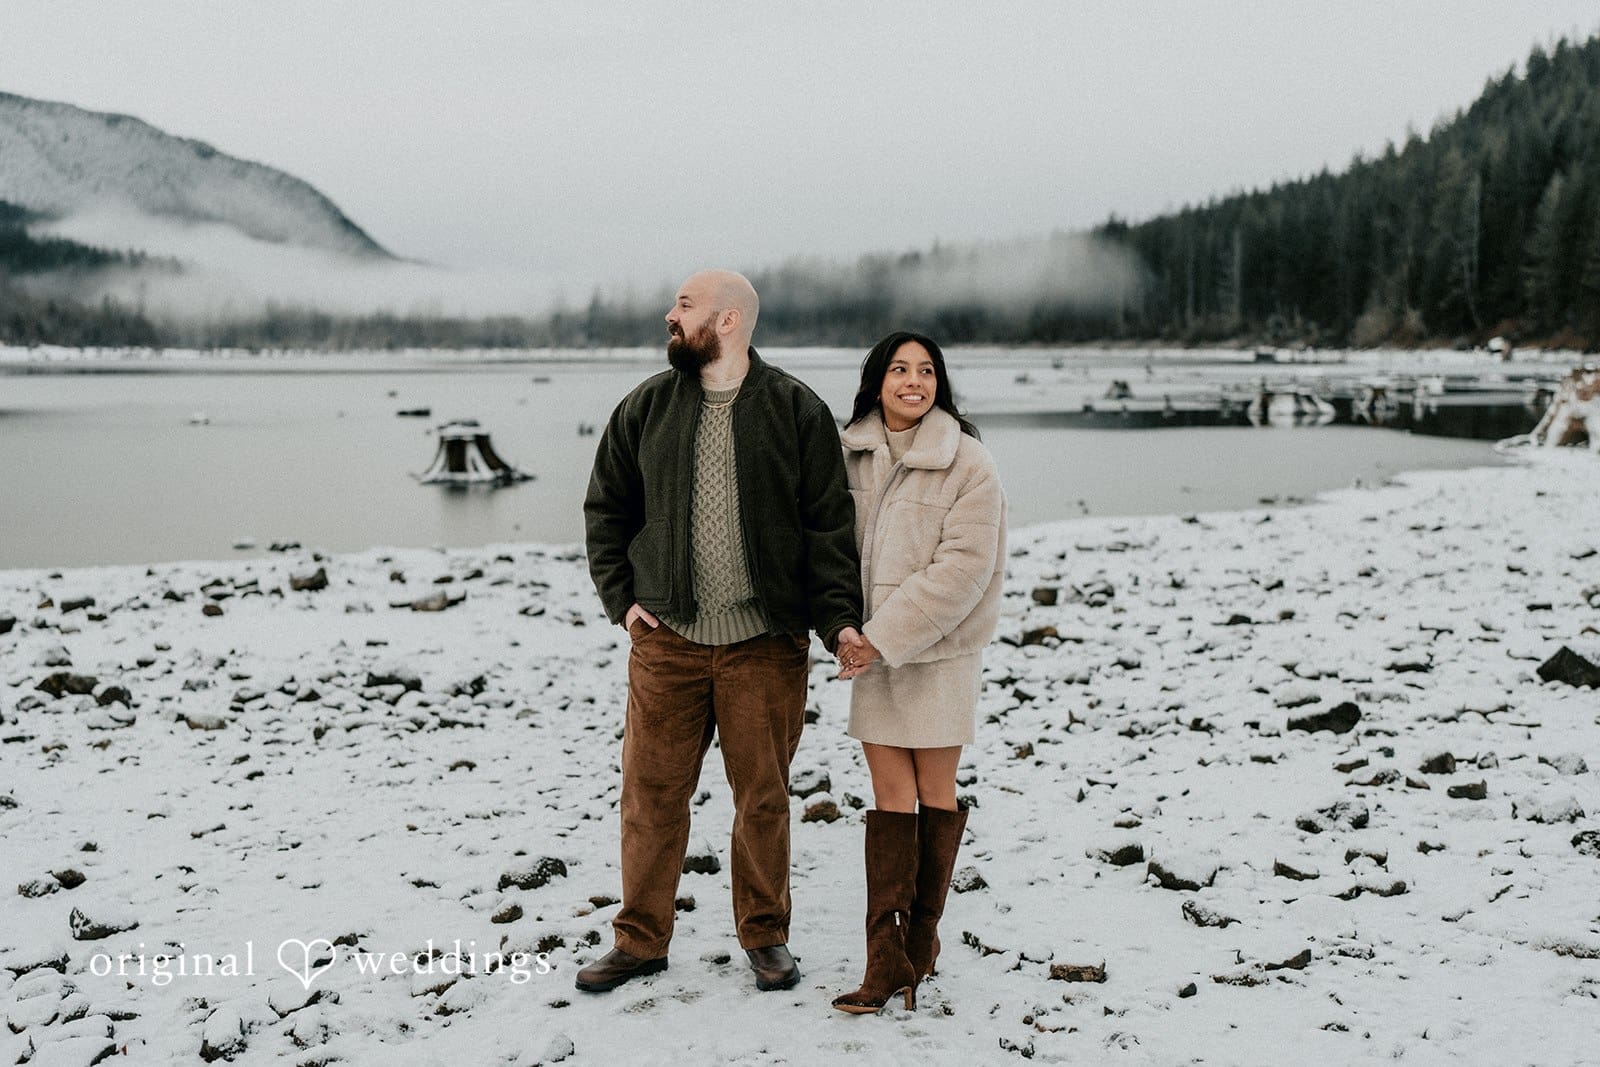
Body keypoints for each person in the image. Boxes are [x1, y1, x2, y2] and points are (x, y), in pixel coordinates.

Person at [579, 269, 864, 995]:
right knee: (649, 796)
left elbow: (829, 529)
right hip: (667, 642)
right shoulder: (646, 406)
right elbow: (605, 508)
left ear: (729, 319)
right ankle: (640, 939)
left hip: (765, 643)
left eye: (683, 305)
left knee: (762, 798)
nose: (667, 314)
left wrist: (837, 624)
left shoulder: (796, 410)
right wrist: (622, 600)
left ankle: (766, 936)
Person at [830, 330, 1006, 1014]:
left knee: (935, 787)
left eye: (926, 370)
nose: (913, 380)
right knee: (887, 794)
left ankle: (921, 941)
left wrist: (882, 636)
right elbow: (827, 547)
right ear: (877, 381)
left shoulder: (969, 461)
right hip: (869, 652)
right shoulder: (848, 454)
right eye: (899, 369)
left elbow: (964, 570)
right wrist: (845, 628)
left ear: (940, 383)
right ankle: (885, 957)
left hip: (938, 654)